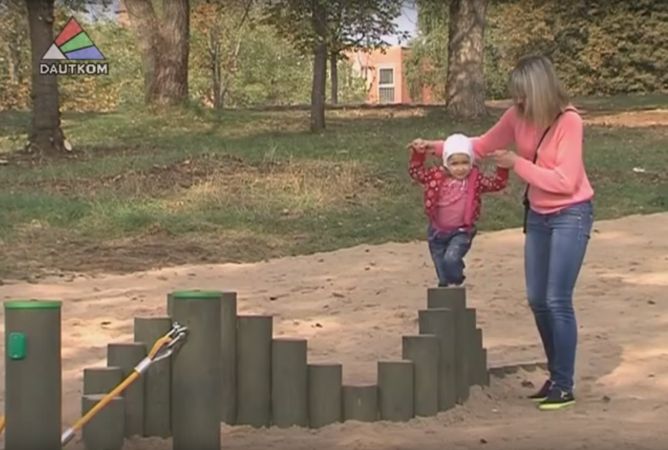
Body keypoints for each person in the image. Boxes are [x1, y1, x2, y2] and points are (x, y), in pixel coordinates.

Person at [409, 54, 594, 411]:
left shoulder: (569, 122)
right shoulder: (516, 115)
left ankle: (564, 383)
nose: (517, 100)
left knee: (557, 299)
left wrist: (517, 164)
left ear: (540, 90)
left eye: (523, 93)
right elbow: (479, 146)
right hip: (537, 215)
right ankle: (555, 376)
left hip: (571, 214)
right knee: (537, 298)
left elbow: (565, 181)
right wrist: (433, 147)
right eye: (515, 94)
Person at [408, 133, 508, 287]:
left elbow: (497, 184)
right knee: (443, 276)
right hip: (436, 232)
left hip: (461, 232)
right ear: (446, 162)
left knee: (451, 260)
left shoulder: (475, 180)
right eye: (454, 163)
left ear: (471, 161)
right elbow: (416, 172)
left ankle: (457, 278)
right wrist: (418, 154)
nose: (460, 168)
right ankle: (448, 292)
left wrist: (502, 167)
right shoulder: (435, 176)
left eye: (465, 162)